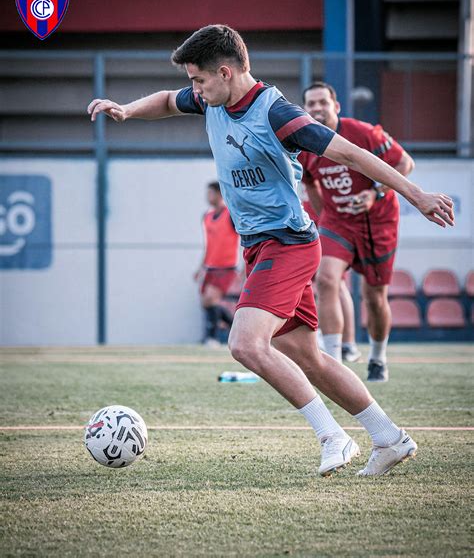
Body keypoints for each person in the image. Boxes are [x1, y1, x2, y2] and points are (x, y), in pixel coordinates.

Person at [88, 24, 454, 477]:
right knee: (308, 356)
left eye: (198, 79)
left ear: (225, 72)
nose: (193, 89)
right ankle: (388, 438)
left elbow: (353, 155)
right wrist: (125, 110)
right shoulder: (210, 99)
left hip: (289, 243)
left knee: (244, 343)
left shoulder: (278, 114)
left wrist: (415, 194)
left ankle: (332, 436)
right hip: (261, 247)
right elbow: (165, 100)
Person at [300, 81, 416, 382]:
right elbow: (310, 181)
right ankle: (333, 362)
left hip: (377, 220)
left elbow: (405, 163)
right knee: (325, 279)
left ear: (335, 106)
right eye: (310, 104)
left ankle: (378, 357)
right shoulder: (306, 142)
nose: (316, 108)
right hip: (338, 222)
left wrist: (375, 193)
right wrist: (326, 214)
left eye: (322, 102)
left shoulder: (362, 132)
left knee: (374, 296)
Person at [300, 181, 361, 363]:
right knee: (315, 283)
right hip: (304, 219)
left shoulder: (317, 155)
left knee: (334, 282)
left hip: (320, 221)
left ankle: (348, 344)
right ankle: (324, 338)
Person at [196, 181, 240, 347]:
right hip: (210, 267)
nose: (208, 197)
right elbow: (208, 244)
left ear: (219, 194)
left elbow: (242, 239)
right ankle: (236, 327)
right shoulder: (206, 216)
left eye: (210, 193)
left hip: (227, 267)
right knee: (205, 302)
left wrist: (244, 266)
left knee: (210, 299)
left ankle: (212, 337)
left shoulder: (230, 215)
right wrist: (200, 267)